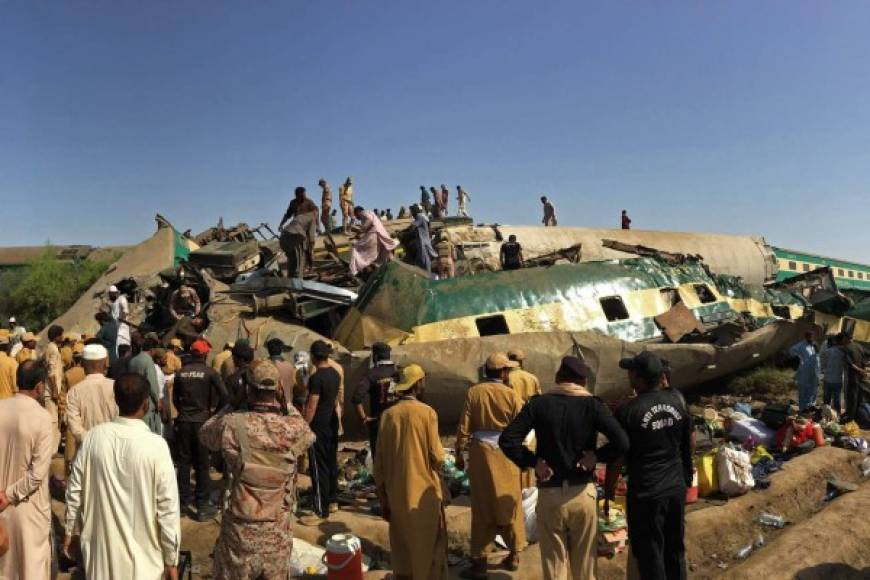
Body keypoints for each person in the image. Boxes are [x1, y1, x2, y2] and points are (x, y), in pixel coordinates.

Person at [500, 356, 629, 580]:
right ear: (583, 381)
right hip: (582, 494)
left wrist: (533, 462)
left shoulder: (539, 404)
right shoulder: (593, 405)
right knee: (586, 567)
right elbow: (622, 442)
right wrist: (596, 456)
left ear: (559, 377)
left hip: (550, 495)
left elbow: (508, 440)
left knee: (554, 566)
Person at [200, 360, 315, 580]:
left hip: (239, 534)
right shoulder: (292, 427)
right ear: (279, 388)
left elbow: (206, 433)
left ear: (247, 388)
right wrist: (286, 403)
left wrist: (232, 403)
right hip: (277, 532)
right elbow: (308, 434)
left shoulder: (232, 424)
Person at [65, 373, 181, 579]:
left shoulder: (93, 438)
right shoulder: (156, 446)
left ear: (116, 400)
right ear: (146, 403)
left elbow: (74, 490)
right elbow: (168, 508)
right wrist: (171, 559)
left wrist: (71, 531)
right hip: (143, 565)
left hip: (101, 560)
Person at [611, 352, 692, 580]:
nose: (628, 375)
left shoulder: (628, 410)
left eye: (630, 371)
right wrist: (686, 475)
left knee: (650, 553)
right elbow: (689, 441)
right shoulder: (677, 400)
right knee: (675, 549)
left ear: (638, 376)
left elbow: (618, 455)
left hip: (646, 493)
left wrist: (608, 489)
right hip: (675, 487)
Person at [374, 364, 449, 580]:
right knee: (428, 544)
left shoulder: (388, 415)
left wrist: (383, 496)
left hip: (396, 491)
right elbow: (437, 456)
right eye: (423, 380)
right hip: (423, 491)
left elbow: (379, 460)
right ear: (418, 384)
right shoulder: (427, 413)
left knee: (402, 542)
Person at [455, 353, 526, 577]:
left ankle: (480, 562)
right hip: (507, 454)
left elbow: (464, 427)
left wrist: (459, 453)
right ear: (504, 372)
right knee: (510, 502)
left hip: (481, 455)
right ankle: (514, 553)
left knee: (483, 506)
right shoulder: (512, 395)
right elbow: (523, 427)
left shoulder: (474, 392)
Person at [0, 362, 54, 579]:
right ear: (40, 387)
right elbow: (37, 475)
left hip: (4, 506)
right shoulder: (42, 417)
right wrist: (9, 496)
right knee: (30, 567)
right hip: (27, 507)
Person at [173, 338, 227, 520]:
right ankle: (202, 507)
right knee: (202, 465)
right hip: (202, 423)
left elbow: (175, 400)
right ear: (205, 354)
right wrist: (214, 414)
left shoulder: (180, 373)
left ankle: (180, 505)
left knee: (183, 464)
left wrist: (184, 413)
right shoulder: (210, 373)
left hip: (184, 421)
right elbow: (224, 396)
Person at [302, 340, 341, 524]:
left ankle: (320, 509)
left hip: (318, 426)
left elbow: (312, 405)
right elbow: (333, 401)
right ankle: (332, 500)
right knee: (331, 463)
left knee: (318, 468)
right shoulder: (335, 373)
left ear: (313, 357)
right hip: (331, 423)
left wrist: (304, 426)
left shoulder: (316, 378)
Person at [65, 344, 118, 455]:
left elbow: (75, 428)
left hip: (86, 451)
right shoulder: (116, 387)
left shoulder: (74, 391)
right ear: (105, 363)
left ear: (83, 364)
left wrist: (93, 441)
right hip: (113, 448)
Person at [352, 342, 398, 457]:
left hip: (378, 423)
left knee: (379, 459)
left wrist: (364, 418)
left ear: (375, 357)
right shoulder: (397, 373)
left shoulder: (371, 374)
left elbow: (356, 397)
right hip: (398, 422)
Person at [505, 349, 542, 489]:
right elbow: (538, 402)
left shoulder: (506, 378)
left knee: (512, 459)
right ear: (522, 361)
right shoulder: (532, 378)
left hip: (511, 423)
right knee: (528, 461)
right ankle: (527, 493)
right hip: (529, 426)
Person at [278, 186, 320, 278]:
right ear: (297, 195)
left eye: (305, 194)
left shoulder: (309, 202)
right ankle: (297, 271)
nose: (304, 196)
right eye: (302, 195)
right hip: (297, 229)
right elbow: (288, 214)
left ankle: (310, 267)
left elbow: (315, 214)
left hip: (307, 229)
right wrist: (281, 224)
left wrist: (317, 226)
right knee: (296, 252)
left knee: (308, 249)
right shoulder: (293, 203)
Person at [349, 206, 400, 276]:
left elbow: (369, 221)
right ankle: (390, 270)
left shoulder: (364, 213)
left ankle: (356, 268)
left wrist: (360, 229)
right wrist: (358, 234)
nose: (356, 217)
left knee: (356, 248)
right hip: (378, 234)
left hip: (374, 235)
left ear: (358, 212)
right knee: (383, 252)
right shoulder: (369, 213)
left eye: (355, 215)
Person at [128, 332, 163, 433]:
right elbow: (152, 383)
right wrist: (157, 400)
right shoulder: (148, 361)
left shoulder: (133, 360)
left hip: (134, 401)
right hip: (146, 403)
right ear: (152, 350)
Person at [44, 324, 66, 450]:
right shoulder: (52, 349)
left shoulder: (52, 348)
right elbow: (51, 372)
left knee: (55, 421)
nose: (63, 337)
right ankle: (51, 452)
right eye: (61, 334)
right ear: (57, 336)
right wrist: (54, 390)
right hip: (51, 391)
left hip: (52, 390)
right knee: (52, 422)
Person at [790, 331, 820, 411]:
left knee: (813, 390)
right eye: (809, 336)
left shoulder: (814, 345)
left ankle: (811, 406)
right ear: (806, 337)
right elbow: (791, 351)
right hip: (804, 371)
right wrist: (798, 357)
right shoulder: (801, 345)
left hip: (814, 371)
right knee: (803, 390)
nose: (811, 338)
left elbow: (818, 356)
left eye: (812, 336)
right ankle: (802, 408)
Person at [265, 337, 295, 411]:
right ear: (281, 350)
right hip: (286, 405)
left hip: (268, 406)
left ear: (268, 350)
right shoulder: (290, 367)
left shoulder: (264, 366)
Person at [843, 333, 868, 420]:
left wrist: (860, 370)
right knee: (858, 397)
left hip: (853, 377)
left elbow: (851, 364)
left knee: (852, 397)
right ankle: (857, 416)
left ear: (846, 338)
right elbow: (866, 357)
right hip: (860, 377)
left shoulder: (847, 348)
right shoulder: (860, 346)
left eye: (843, 338)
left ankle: (851, 417)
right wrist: (864, 370)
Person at [408, 205, 438, 274]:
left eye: (411, 211)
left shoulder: (419, 217)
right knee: (419, 260)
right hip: (421, 242)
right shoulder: (420, 217)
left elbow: (412, 226)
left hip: (423, 242)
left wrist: (402, 232)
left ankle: (428, 275)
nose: (411, 213)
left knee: (425, 259)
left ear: (414, 211)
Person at [225, 341, 255, 410]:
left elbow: (229, 403)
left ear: (241, 359)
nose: (232, 358)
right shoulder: (257, 376)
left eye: (234, 356)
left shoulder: (232, 378)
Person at [822, 333, 847, 415]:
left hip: (828, 379)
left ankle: (825, 414)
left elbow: (823, 365)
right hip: (838, 380)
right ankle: (838, 415)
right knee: (837, 399)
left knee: (827, 399)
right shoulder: (844, 353)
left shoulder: (827, 351)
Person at [0, 333, 18, 399]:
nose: (12, 346)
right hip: (7, 401)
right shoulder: (11, 362)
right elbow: (15, 385)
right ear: (7, 346)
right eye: (11, 343)